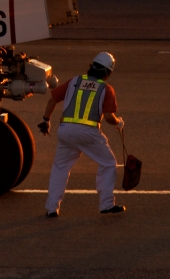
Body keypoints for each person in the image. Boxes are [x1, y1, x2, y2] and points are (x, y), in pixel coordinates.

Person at [38, 52, 126, 217]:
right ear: (108, 73)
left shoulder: (74, 81)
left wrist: (46, 120)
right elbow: (108, 117)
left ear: (91, 67)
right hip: (88, 133)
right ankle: (106, 205)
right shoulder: (106, 89)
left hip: (65, 131)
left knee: (60, 168)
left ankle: (51, 208)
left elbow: (53, 100)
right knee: (108, 164)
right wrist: (119, 123)